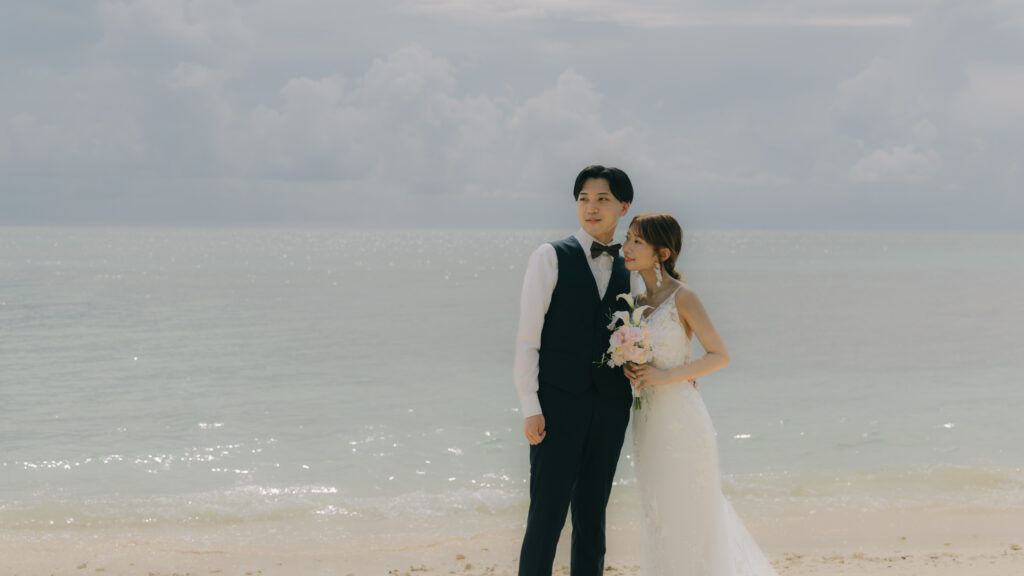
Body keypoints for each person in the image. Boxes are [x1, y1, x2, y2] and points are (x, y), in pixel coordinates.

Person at [622, 213, 778, 576]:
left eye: (637, 242)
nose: (626, 247)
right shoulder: (635, 301)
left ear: (662, 253)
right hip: (646, 420)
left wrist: (665, 376)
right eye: (628, 238)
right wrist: (630, 367)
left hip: (681, 420)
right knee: (658, 511)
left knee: (690, 511)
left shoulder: (684, 297)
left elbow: (719, 356)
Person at [513, 165, 638, 576]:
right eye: (584, 199)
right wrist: (530, 406)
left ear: (624, 206)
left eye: (602, 199)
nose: (591, 207)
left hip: (611, 407)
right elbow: (528, 339)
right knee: (546, 517)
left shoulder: (632, 269)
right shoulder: (549, 257)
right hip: (557, 407)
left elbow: (645, 333)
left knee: (592, 518)